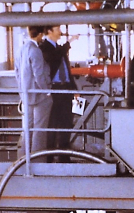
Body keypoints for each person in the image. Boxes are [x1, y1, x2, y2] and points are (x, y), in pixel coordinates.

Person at [40, 25, 79, 163]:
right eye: (57, 28)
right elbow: (53, 58)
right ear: (49, 31)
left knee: (66, 123)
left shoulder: (58, 48)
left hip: (66, 90)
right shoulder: (44, 47)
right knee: (52, 125)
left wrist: (74, 89)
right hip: (54, 91)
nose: (60, 31)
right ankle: (49, 157)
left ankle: (64, 156)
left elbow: (66, 70)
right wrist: (68, 44)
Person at [15, 26, 52, 156]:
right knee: (39, 129)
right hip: (39, 96)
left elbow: (17, 73)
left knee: (27, 128)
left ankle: (23, 159)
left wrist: (22, 92)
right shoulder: (35, 51)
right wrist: (47, 91)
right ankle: (38, 160)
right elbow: (39, 75)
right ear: (40, 34)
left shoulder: (21, 49)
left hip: (26, 95)